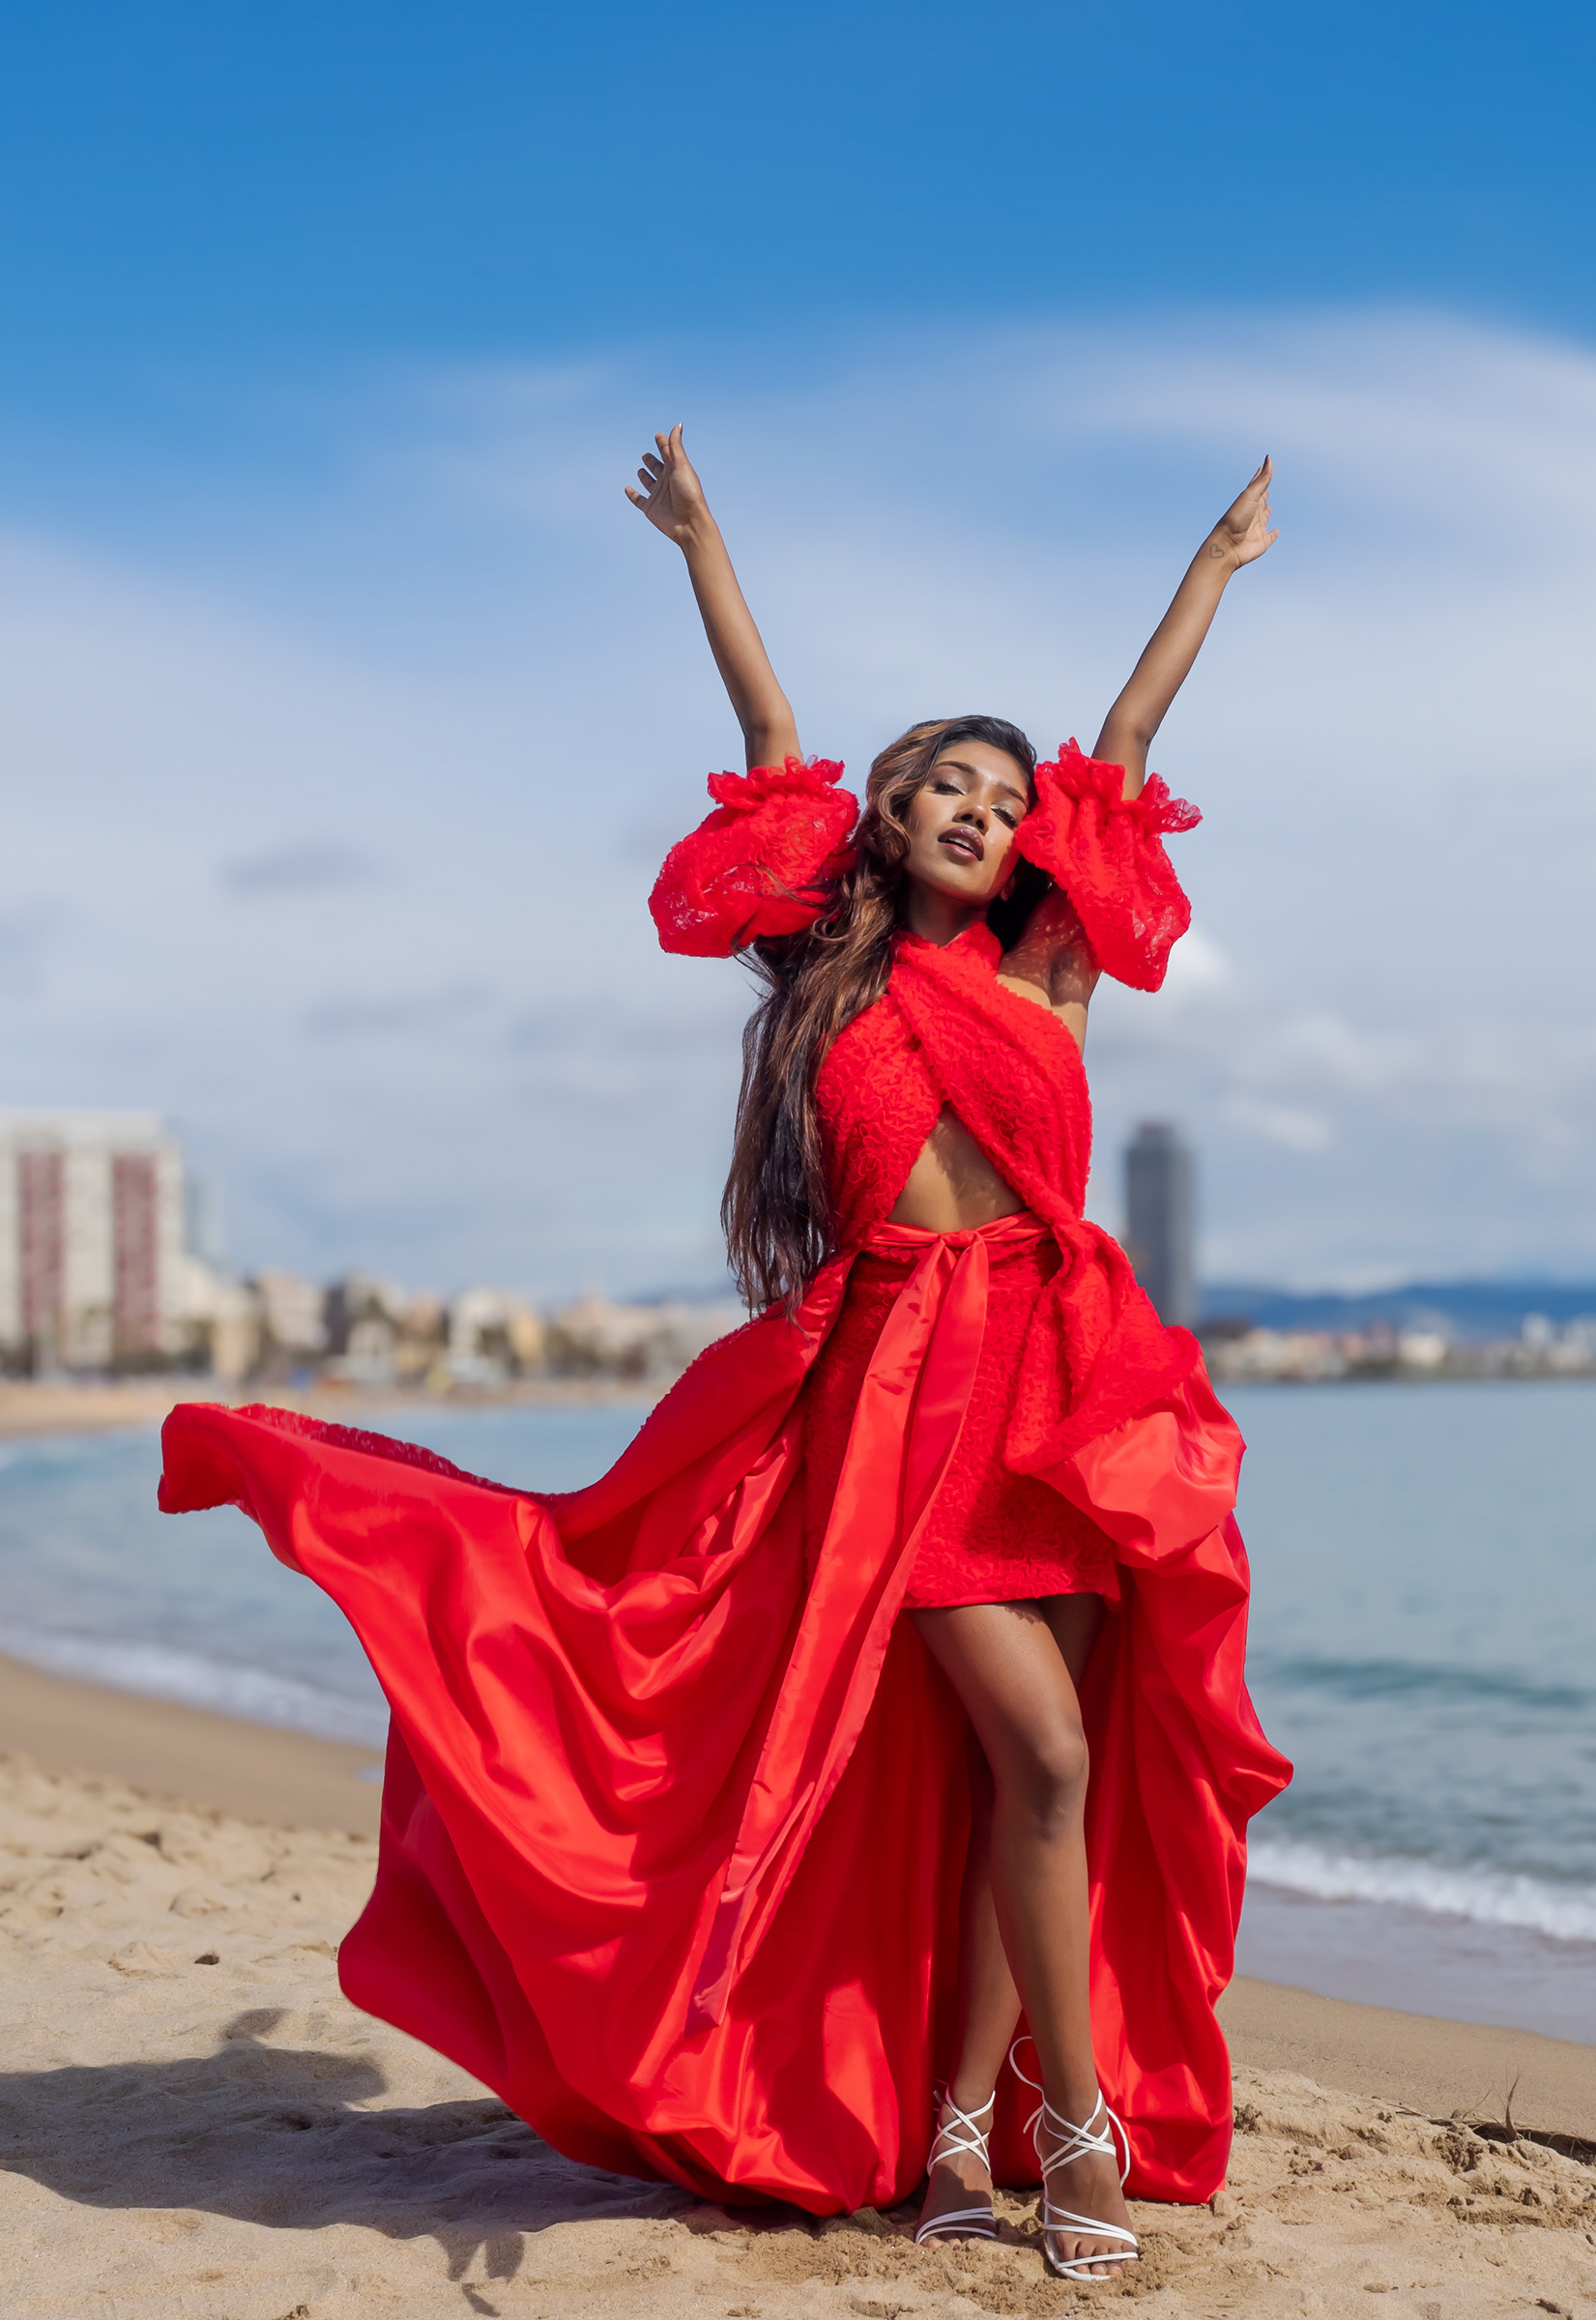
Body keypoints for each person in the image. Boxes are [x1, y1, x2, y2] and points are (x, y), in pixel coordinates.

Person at [159, 425, 1291, 2286]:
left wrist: (1210, 580)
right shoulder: (829, 972)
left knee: (1032, 1779)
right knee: (1048, 1752)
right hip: (890, 1403)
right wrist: (704, 552)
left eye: (1005, 797)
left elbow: (1130, 752)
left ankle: (952, 2127)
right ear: (894, 809)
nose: (984, 808)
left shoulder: (1051, 978)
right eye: (947, 781)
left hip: (1063, 1398)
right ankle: (1069, 2133)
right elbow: (773, 745)